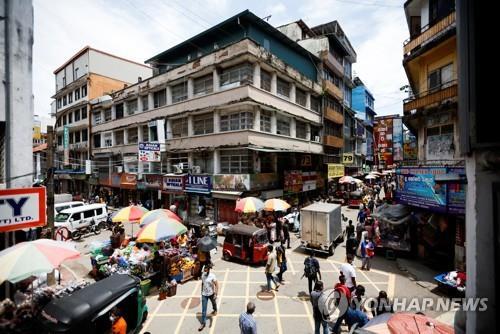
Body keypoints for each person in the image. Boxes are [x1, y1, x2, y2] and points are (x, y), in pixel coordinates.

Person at [199, 263, 218, 331]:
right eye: (204, 269)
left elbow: (216, 284)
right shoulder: (203, 275)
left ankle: (215, 309)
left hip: (211, 294)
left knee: (214, 303)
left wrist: (216, 294)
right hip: (204, 295)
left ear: (209, 270)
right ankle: (203, 323)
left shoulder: (212, 276)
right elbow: (203, 283)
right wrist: (201, 291)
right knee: (204, 310)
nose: (205, 271)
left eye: (206, 270)